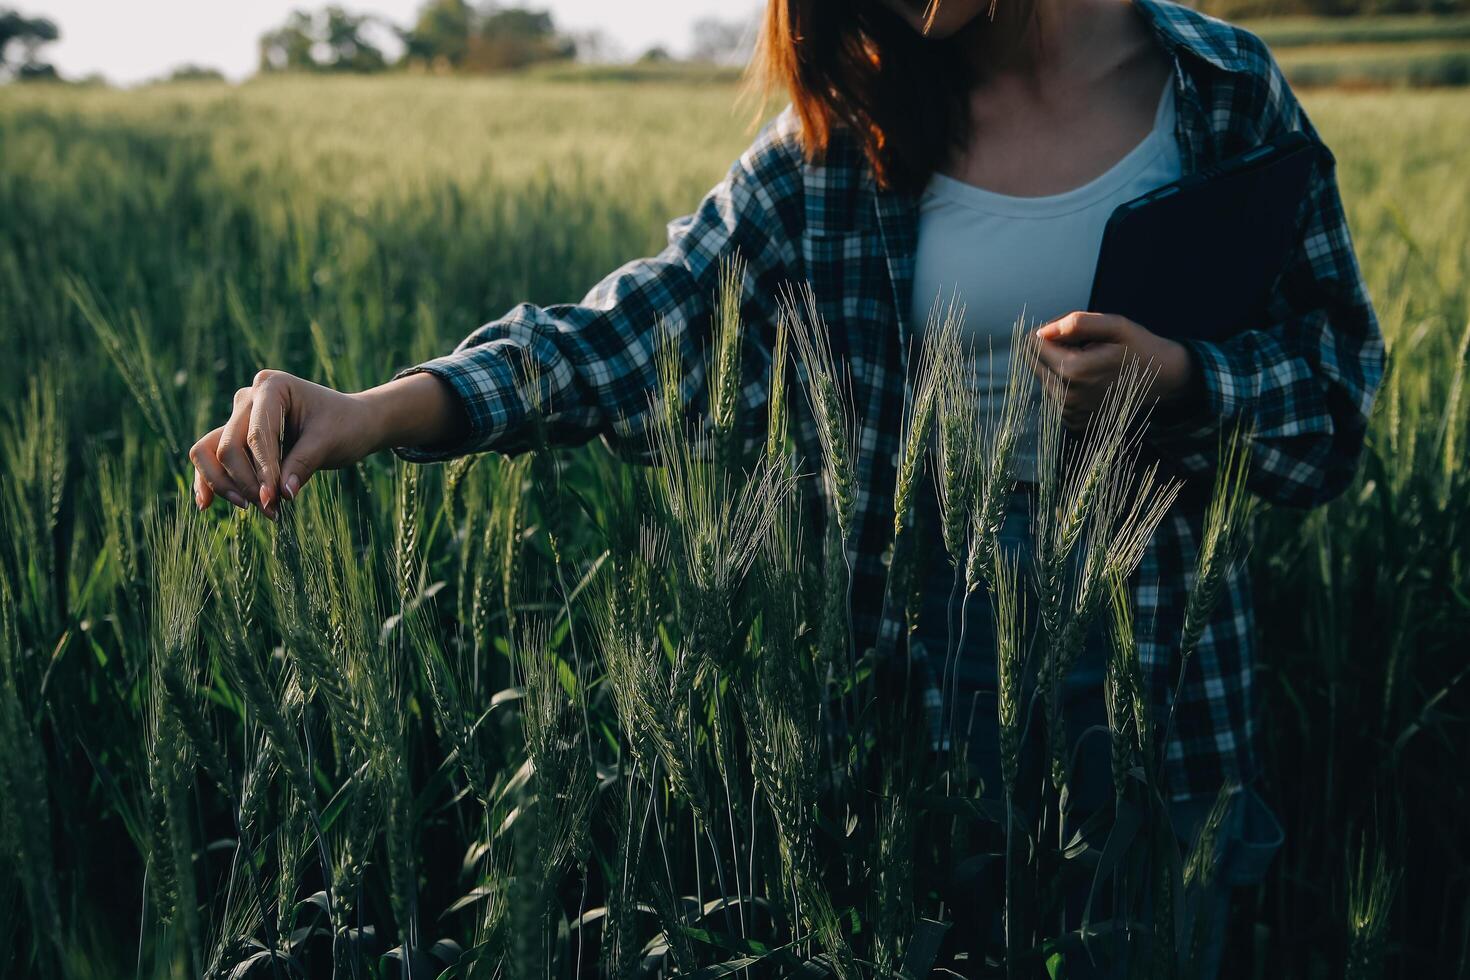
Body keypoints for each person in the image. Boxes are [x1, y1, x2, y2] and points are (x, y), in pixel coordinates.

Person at [188, 0, 1384, 973]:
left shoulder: (1221, 91)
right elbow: (621, 337)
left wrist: (1184, 379)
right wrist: (372, 410)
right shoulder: (847, 138)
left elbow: (1336, 403)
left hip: (1161, 668)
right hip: (923, 665)